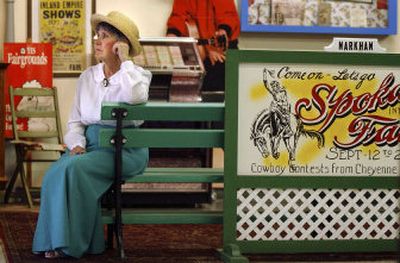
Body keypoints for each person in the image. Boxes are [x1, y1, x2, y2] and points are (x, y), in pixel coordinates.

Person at [32, 11, 152, 259]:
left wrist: (125, 62)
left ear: (121, 45)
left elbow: (135, 97)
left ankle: (73, 244)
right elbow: (75, 122)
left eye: (105, 36)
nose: (97, 40)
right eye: (97, 35)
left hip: (124, 149)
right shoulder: (87, 77)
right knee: (55, 173)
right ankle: (55, 241)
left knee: (73, 170)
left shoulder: (137, 76)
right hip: (90, 147)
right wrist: (76, 144)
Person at [166, 0, 240, 99]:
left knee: (217, 87)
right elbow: (178, 16)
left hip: (221, 49)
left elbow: (227, 17)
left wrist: (217, 45)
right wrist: (172, 34)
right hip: (201, 50)